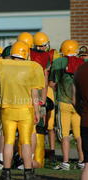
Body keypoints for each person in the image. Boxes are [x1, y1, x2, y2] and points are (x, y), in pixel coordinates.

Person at [0, 41, 45, 180]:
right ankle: (28, 173)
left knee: (9, 141)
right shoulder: (33, 67)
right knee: (26, 142)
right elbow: (35, 94)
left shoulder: (1, 65)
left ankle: (6, 172)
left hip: (7, 109)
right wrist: (37, 111)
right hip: (25, 110)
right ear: (25, 53)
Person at [49, 40, 84, 170]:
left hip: (64, 102)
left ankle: (65, 162)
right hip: (79, 104)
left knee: (64, 134)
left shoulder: (58, 63)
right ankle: (82, 161)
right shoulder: (83, 63)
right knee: (79, 135)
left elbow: (52, 83)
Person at [31, 32, 60, 161]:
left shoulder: (30, 54)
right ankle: (43, 152)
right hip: (44, 89)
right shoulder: (49, 55)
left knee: (43, 123)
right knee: (46, 124)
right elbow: (47, 76)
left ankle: (47, 151)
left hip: (34, 90)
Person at [73, 61, 88, 180]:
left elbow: (74, 99)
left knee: (87, 164)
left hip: (85, 121)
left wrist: (82, 113)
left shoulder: (80, 70)